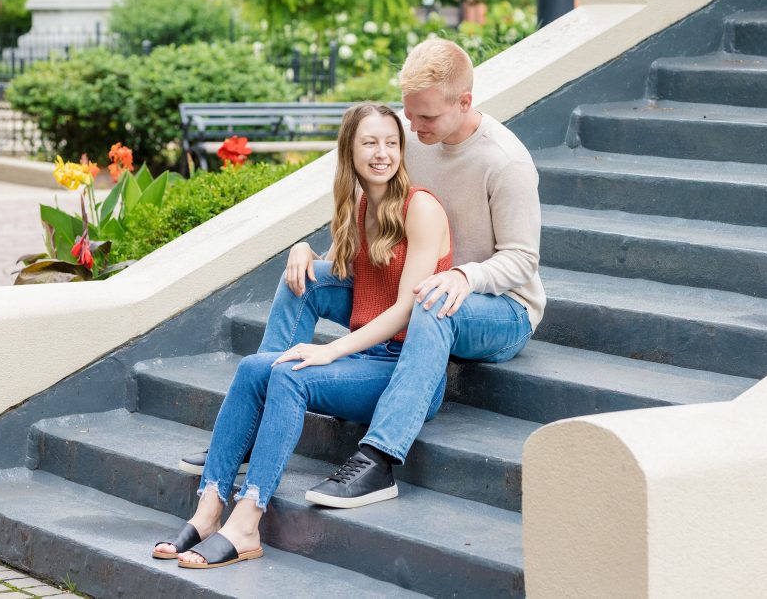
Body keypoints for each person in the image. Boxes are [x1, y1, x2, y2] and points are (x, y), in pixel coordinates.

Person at [179, 37, 545, 509]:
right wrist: (309, 253)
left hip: (498, 309)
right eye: (408, 115)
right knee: (306, 279)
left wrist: (465, 277)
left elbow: (522, 260)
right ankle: (257, 412)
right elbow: (375, 216)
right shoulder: (412, 137)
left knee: (430, 300)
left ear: (465, 102)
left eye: (425, 117)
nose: (411, 128)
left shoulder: (505, 162)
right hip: (413, 280)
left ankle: (379, 458)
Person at [152, 101, 452, 568]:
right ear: (349, 150)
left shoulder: (422, 208)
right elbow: (337, 267)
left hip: (405, 374)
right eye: (370, 143)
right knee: (257, 367)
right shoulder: (360, 205)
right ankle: (209, 508)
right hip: (367, 362)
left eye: (392, 143)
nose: (382, 153)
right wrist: (302, 249)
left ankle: (248, 520)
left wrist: (329, 350)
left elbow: (404, 310)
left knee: (288, 375)